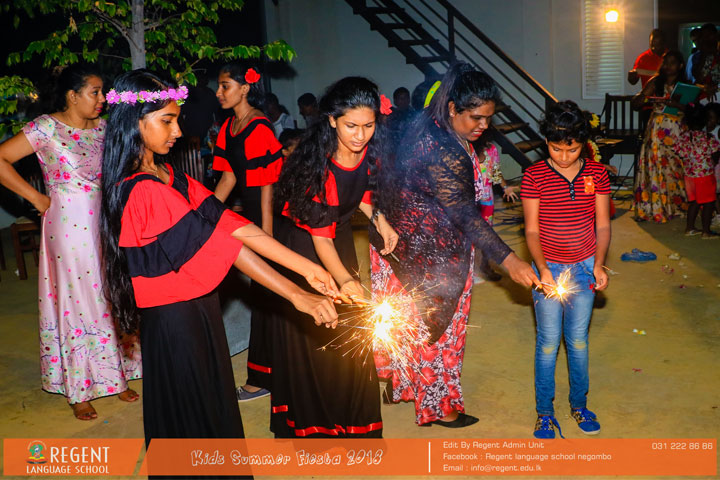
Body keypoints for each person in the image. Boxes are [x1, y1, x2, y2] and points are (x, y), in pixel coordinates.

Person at [99, 69, 339, 450]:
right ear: (135, 121)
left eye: (176, 120)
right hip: (176, 322)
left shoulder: (166, 175)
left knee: (211, 409)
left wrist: (307, 267)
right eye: (167, 121)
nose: (178, 131)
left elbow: (231, 223)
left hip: (198, 312)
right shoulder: (142, 190)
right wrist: (297, 295)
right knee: (195, 421)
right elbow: (227, 247)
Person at [370, 62, 539, 428]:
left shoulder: (425, 125)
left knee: (410, 326)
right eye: (476, 117)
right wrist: (509, 260)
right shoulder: (444, 147)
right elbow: (464, 213)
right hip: (427, 254)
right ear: (451, 108)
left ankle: (406, 386)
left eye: (489, 118)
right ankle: (440, 407)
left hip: (398, 245)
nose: (484, 126)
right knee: (439, 330)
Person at [0, 63, 141, 421]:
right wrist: (36, 198)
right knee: (76, 302)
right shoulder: (46, 127)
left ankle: (115, 375)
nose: (102, 98)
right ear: (72, 95)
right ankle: (79, 387)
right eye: (95, 92)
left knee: (110, 293)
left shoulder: (104, 128)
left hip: (105, 223)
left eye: (102, 91)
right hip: (67, 226)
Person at [271, 76, 399, 438]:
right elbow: (319, 239)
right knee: (322, 330)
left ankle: (353, 419)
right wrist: (345, 280)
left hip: (336, 237)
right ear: (331, 120)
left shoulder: (365, 151)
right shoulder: (322, 166)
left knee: (352, 331)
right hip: (306, 246)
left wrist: (380, 219)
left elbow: (360, 190)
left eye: (368, 126)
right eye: (351, 126)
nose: (360, 135)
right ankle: (318, 423)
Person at [521, 100, 611, 439]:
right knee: (547, 342)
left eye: (571, 149)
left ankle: (579, 405)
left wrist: (598, 264)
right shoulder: (534, 176)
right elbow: (531, 231)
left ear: (583, 144)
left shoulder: (597, 174)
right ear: (547, 142)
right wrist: (543, 269)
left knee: (577, 341)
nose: (563, 156)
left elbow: (603, 225)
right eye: (556, 148)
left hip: (584, 266)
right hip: (549, 268)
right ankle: (545, 412)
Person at [213, 62, 282, 400]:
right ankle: (270, 373)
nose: (219, 92)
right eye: (219, 86)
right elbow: (228, 179)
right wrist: (205, 216)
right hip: (250, 219)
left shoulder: (259, 127)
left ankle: (264, 377)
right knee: (264, 298)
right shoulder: (229, 127)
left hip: (269, 218)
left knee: (267, 297)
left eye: (225, 86)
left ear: (244, 88)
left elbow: (268, 186)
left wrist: (267, 237)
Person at [632, 51, 689, 222]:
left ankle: (677, 205)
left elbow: (692, 109)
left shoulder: (686, 85)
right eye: (665, 62)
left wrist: (676, 104)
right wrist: (644, 98)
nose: (668, 66)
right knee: (656, 164)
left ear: (680, 65)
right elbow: (636, 103)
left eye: (672, 63)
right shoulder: (656, 81)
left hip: (677, 129)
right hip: (657, 129)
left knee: (676, 167)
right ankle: (657, 207)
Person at [471, 134, 519, 283]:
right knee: (468, 235)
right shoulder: (465, 150)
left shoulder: (491, 150)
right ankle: (467, 269)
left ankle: (484, 267)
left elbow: (496, 172)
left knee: (486, 235)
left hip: (486, 201)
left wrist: (505, 187)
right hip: (468, 202)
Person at [675, 104, 720, 238]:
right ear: (705, 121)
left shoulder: (683, 137)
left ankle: (689, 228)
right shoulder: (708, 137)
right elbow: (715, 154)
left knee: (694, 202)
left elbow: (680, 153)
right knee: (708, 203)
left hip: (689, 176)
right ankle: (706, 231)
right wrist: (713, 160)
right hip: (705, 176)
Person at [628, 29, 668, 126]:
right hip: (648, 105)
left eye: (657, 44)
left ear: (663, 43)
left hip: (668, 104)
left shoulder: (670, 57)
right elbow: (633, 81)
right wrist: (631, 77)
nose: (654, 47)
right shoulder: (643, 58)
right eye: (652, 44)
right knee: (649, 132)